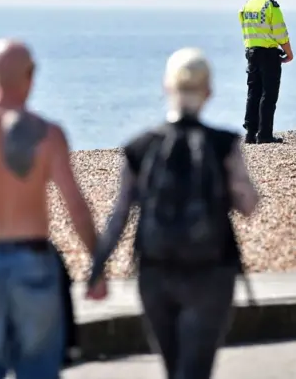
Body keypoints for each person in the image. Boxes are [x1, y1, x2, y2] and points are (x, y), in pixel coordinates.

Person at [0, 38, 107, 379]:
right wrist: (97, 262)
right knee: (38, 367)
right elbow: (75, 205)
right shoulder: (48, 134)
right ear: (31, 75)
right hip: (32, 259)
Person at [87, 47, 259, 379]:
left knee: (174, 367)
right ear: (208, 92)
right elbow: (248, 204)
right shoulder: (223, 143)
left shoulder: (140, 147)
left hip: (155, 271)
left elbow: (120, 214)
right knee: (196, 370)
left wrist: (98, 267)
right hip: (212, 269)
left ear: (167, 87)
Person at [239, 0, 294, 144]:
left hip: (252, 52)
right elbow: (280, 33)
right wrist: (289, 53)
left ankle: (250, 133)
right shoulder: (271, 7)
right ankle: (264, 134)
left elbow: (244, 29)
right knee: (268, 95)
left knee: (253, 92)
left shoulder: (247, 5)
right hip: (269, 54)